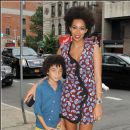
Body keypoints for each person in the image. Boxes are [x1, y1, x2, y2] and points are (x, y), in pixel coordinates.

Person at [25, 6, 103, 130]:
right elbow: (51, 69)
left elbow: (98, 78)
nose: (78, 32)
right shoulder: (64, 48)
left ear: (87, 29)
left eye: (82, 28)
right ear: (69, 28)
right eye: (74, 27)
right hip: (69, 99)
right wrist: (36, 86)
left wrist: (98, 103)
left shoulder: (93, 48)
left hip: (89, 99)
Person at [33, 55, 66, 130]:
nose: (57, 74)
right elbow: (37, 110)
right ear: (47, 71)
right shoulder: (40, 87)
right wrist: (45, 127)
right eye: (53, 70)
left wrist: (62, 122)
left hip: (57, 126)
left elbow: (63, 107)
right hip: (41, 127)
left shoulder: (63, 87)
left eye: (60, 70)